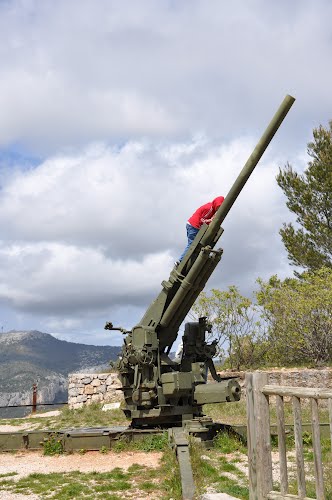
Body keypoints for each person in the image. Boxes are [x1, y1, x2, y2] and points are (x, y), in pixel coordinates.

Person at [178, 196, 224, 262]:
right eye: (218, 206)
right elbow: (201, 220)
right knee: (192, 244)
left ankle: (187, 260)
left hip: (194, 226)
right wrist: (210, 220)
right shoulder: (209, 208)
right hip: (193, 226)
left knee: (194, 246)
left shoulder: (212, 209)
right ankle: (181, 261)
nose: (218, 209)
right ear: (216, 203)